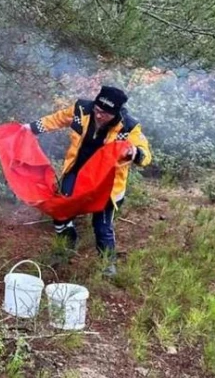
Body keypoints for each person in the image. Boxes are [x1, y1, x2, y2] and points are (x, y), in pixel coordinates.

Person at [24, 86, 152, 275]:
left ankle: (107, 265)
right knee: (61, 210)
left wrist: (135, 153)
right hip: (76, 171)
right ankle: (65, 247)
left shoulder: (128, 126)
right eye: (98, 110)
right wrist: (29, 129)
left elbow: (146, 154)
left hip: (106, 184)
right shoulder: (82, 109)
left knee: (101, 226)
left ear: (116, 113)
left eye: (106, 114)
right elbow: (57, 119)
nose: (99, 116)